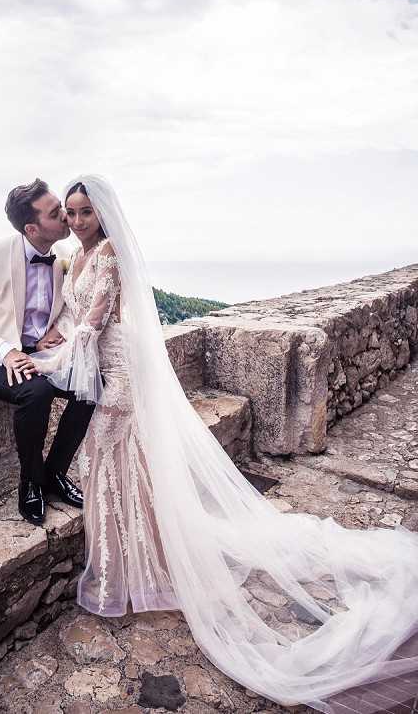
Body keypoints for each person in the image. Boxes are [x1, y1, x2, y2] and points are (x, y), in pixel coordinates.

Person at [32, 173, 418, 714]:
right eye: (69, 213)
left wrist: (56, 358)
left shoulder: (112, 255)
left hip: (116, 365)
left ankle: (133, 573)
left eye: (84, 213)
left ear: (104, 215)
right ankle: (140, 560)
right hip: (96, 364)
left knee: (114, 460)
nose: (75, 222)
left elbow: (96, 318)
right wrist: (48, 338)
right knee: (114, 463)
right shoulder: (77, 256)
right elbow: (73, 313)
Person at [0, 178, 95, 526]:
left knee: (90, 385)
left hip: (42, 352)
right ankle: (30, 482)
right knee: (38, 392)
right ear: (32, 227)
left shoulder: (62, 256)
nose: (67, 218)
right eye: (56, 213)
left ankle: (55, 473)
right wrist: (6, 351)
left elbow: (70, 308)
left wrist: (55, 331)